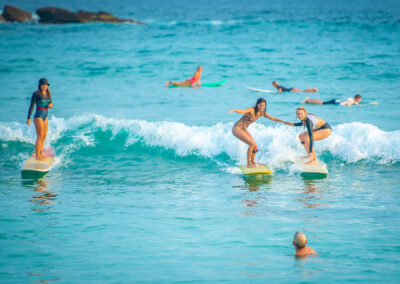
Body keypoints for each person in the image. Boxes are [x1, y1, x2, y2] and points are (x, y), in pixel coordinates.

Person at [229, 98, 289, 168]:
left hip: (244, 129)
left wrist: (283, 121)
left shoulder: (262, 113)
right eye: (261, 105)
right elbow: (242, 111)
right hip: (237, 128)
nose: (262, 107)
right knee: (251, 144)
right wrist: (234, 110)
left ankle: (252, 162)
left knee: (255, 147)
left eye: (264, 106)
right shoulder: (252, 110)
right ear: (257, 105)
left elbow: (273, 118)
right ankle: (249, 164)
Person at [27, 78, 53, 161]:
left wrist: (51, 105)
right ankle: (38, 156)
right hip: (38, 116)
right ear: (40, 85)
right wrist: (28, 118)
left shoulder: (48, 93)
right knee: (40, 136)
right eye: (43, 85)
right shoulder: (36, 94)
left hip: (45, 116)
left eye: (46, 85)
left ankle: (40, 153)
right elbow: (31, 106)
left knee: (44, 136)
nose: (44, 86)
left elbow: (50, 103)